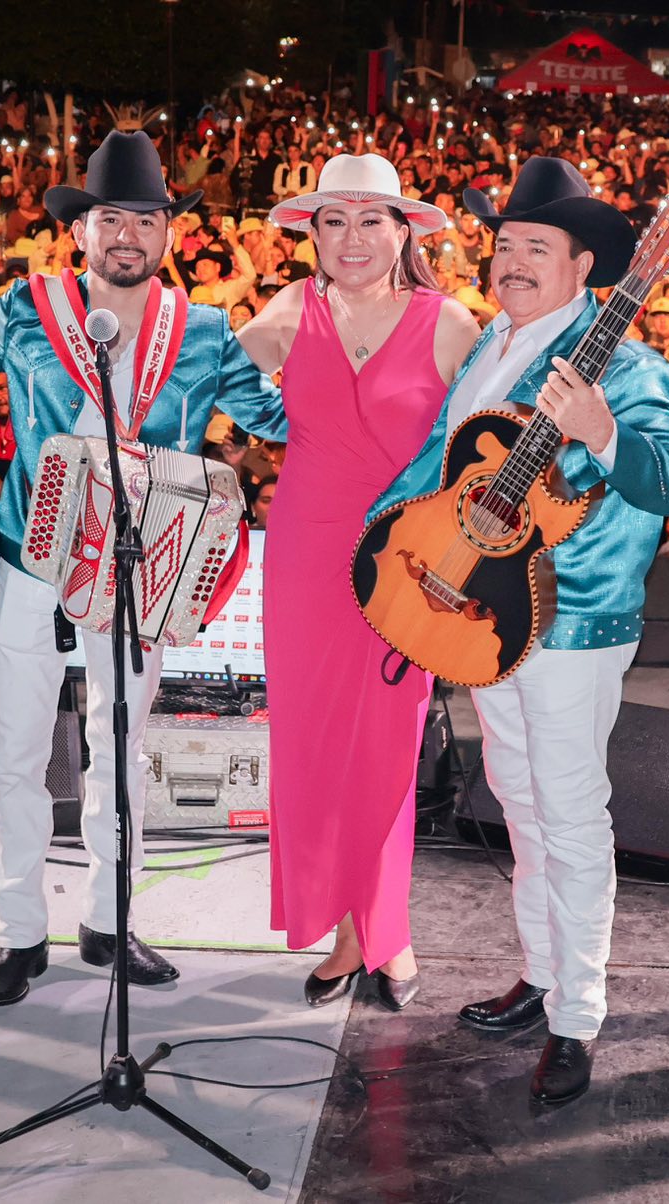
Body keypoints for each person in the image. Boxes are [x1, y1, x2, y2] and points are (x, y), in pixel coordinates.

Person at [0, 132, 290, 1007]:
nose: (128, 234)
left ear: (170, 233)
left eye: (146, 220)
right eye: (111, 219)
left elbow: (278, 420)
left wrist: (357, 352)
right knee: (15, 754)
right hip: (29, 563)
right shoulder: (24, 308)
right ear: (79, 230)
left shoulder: (204, 331)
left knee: (120, 751)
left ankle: (109, 921)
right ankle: (19, 932)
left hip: (142, 570)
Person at [375, 157, 669, 1105]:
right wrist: (387, 556)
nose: (512, 262)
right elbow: (439, 468)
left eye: (536, 248)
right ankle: (542, 971)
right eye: (504, 244)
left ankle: (578, 1016)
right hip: (482, 612)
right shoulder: (492, 345)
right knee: (519, 800)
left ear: (585, 266)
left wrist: (603, 432)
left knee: (570, 812)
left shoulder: (630, 368)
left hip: (574, 625)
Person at [236, 153, 480, 1012]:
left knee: (384, 748)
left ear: (403, 231)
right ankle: (345, 929)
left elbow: (488, 439)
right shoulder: (286, 310)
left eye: (371, 219)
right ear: (312, 233)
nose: (352, 237)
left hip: (403, 566)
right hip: (304, 556)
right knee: (310, 747)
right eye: (333, 220)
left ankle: (385, 929)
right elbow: (204, 380)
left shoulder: (450, 322)